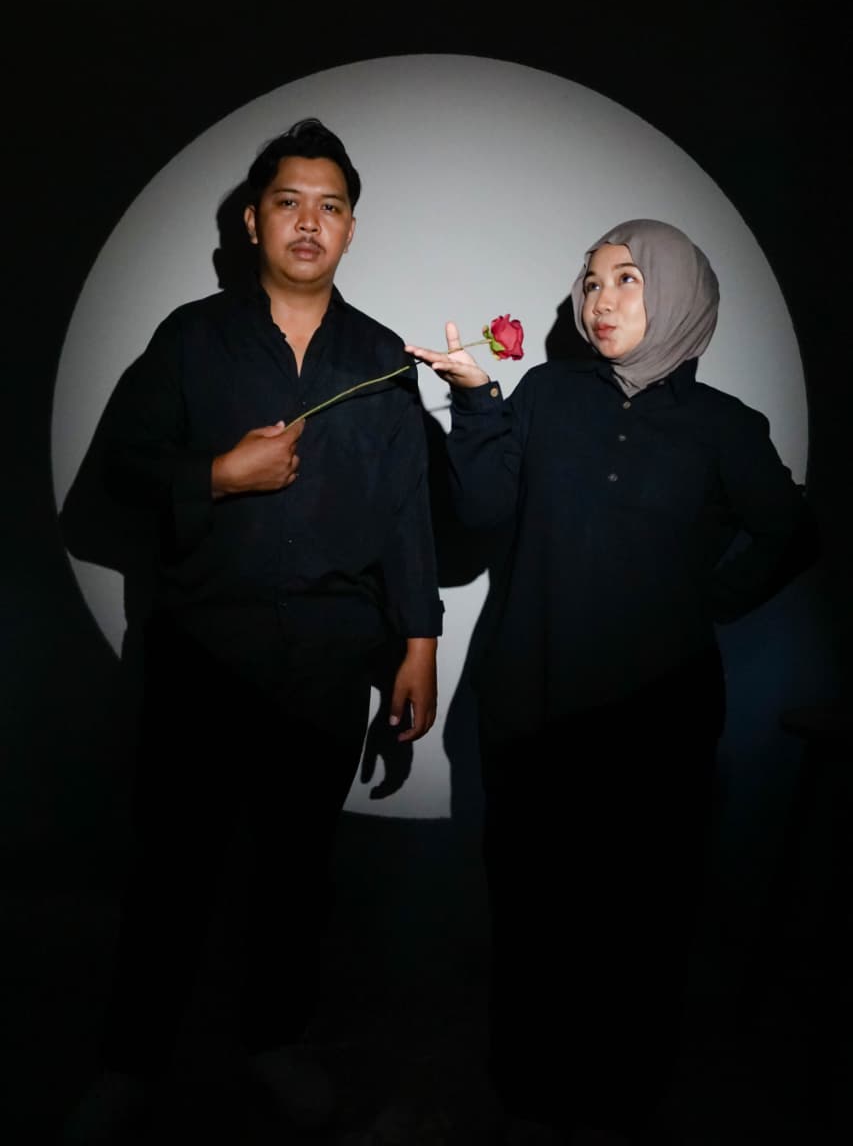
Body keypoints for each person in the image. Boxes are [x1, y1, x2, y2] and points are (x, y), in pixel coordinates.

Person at [60, 118, 442, 1140]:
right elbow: (112, 482)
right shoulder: (192, 338)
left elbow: (407, 510)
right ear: (252, 220)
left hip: (326, 663)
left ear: (351, 227)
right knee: (171, 872)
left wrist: (417, 642)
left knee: (296, 874)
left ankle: (275, 1041)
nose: (308, 222)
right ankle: (129, 1063)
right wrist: (218, 475)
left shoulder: (379, 358)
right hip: (201, 650)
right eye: (288, 202)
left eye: (329, 206)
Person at [406, 219, 816, 1145]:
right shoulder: (546, 394)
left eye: (627, 279)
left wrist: (712, 597)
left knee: (641, 924)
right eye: (590, 283)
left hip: (655, 725)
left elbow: (791, 531)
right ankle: (526, 1093)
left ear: (675, 293)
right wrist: (476, 401)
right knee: (533, 919)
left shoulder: (723, 427)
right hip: (531, 708)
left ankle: (621, 1101)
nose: (600, 301)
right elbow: (481, 512)